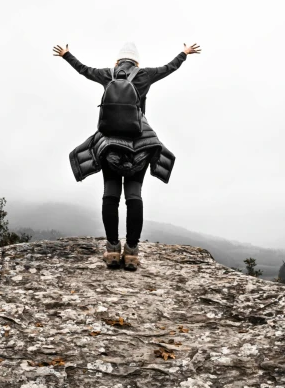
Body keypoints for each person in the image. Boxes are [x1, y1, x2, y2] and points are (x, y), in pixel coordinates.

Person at [52, 41, 202, 270]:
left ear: (117, 62)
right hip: (140, 144)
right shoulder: (145, 75)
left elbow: (84, 70)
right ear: (137, 62)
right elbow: (169, 67)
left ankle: (112, 250)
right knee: (134, 195)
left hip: (110, 144)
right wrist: (184, 53)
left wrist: (66, 55)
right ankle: (131, 253)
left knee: (110, 194)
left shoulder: (108, 74)